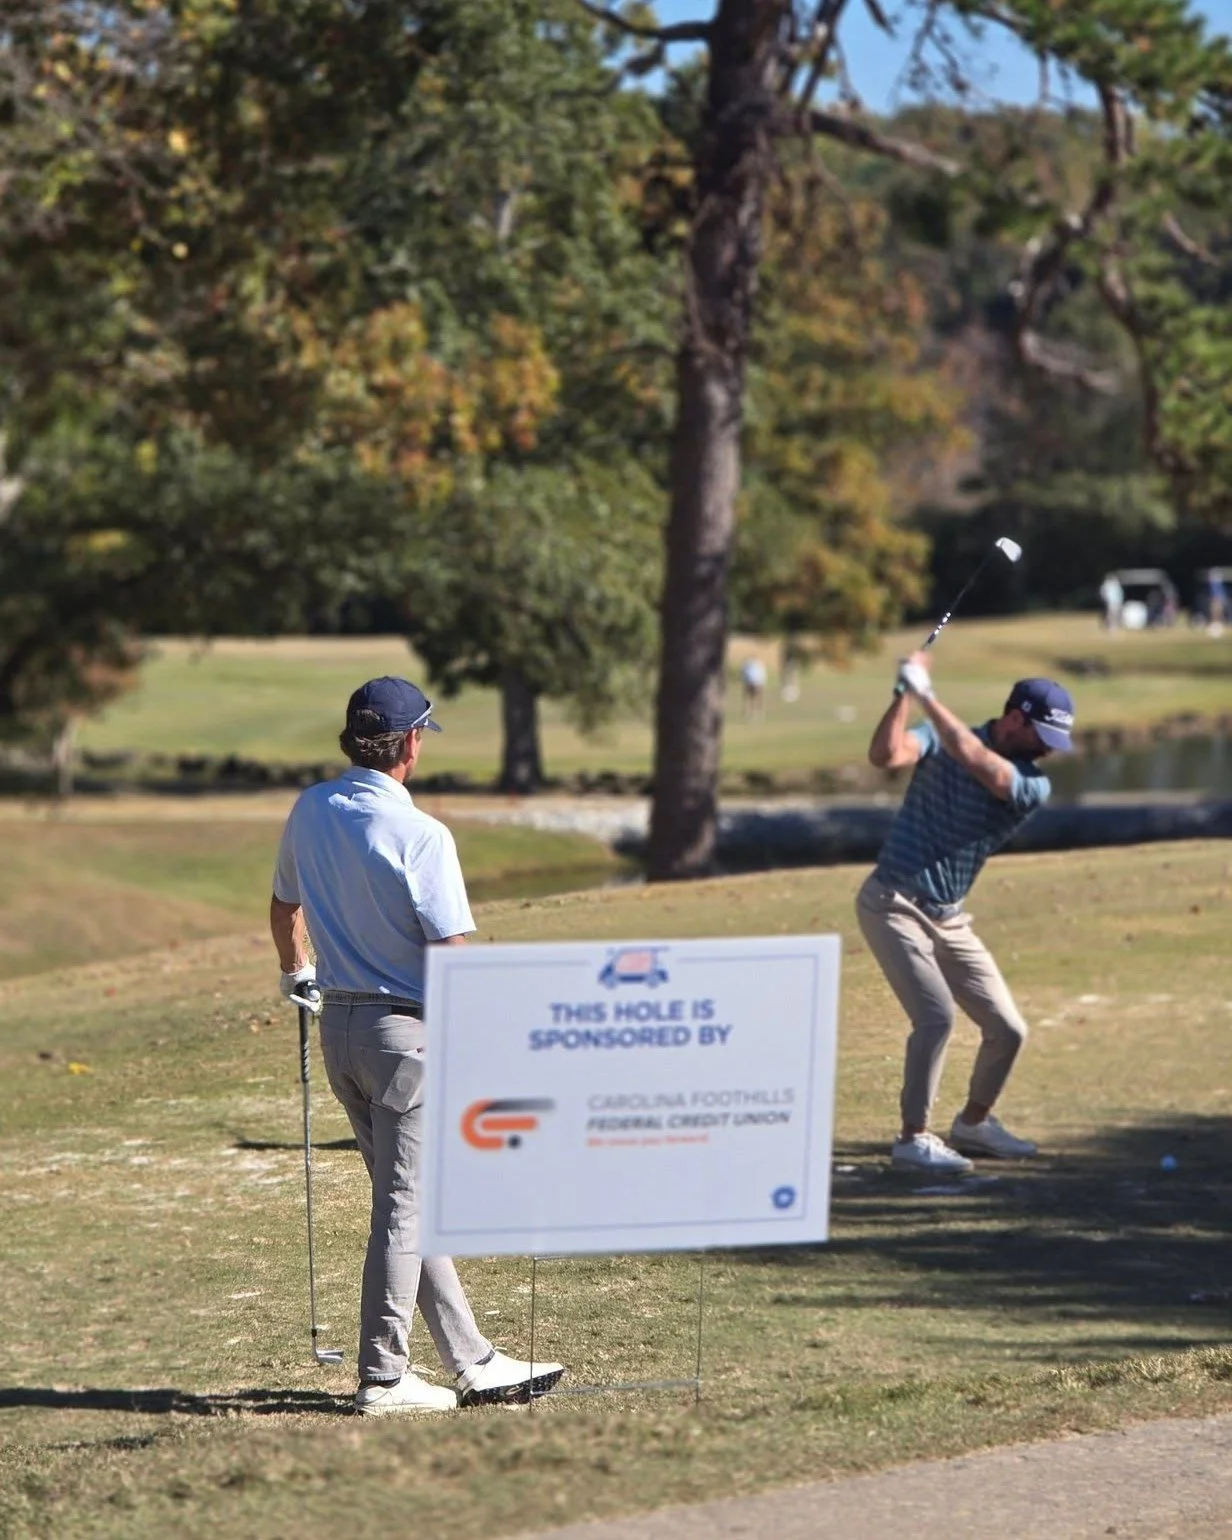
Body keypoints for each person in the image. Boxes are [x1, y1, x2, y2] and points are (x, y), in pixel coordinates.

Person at [270, 676, 565, 1416]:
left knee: (406, 1200)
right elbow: (452, 955)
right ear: (409, 743)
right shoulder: (423, 834)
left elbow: (283, 909)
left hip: (340, 1029)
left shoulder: (310, 808)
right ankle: (382, 1376)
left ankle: (472, 1359)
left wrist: (297, 972)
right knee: (404, 1208)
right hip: (405, 1038)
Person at [856, 652, 1076, 1174]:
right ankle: (912, 1138)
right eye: (1043, 734)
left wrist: (926, 694)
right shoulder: (941, 739)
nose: (1049, 748)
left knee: (1008, 1029)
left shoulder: (1031, 784)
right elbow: (885, 755)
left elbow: (983, 766)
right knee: (935, 1018)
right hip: (892, 903)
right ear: (1016, 718)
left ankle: (974, 1124)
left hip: (949, 918)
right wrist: (903, 693)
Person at [741, 655, 767, 719]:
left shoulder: (752, 665)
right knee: (752, 699)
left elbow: (762, 675)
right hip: (752, 683)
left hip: (756, 683)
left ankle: (756, 713)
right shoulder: (751, 665)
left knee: (755, 699)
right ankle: (751, 713)